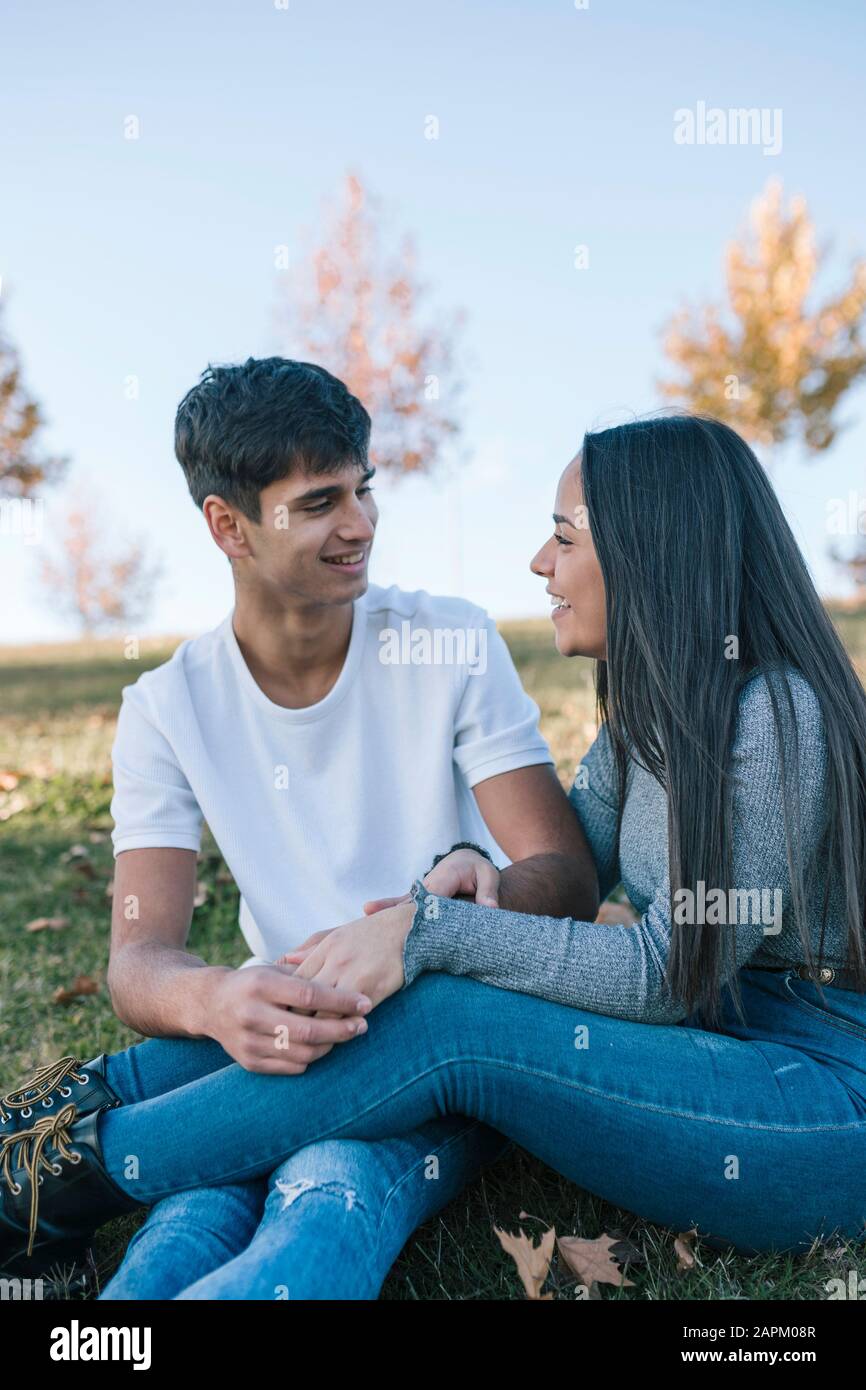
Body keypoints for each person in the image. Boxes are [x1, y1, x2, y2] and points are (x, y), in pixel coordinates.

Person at [5, 413, 866, 1277]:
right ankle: (75, 1115)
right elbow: (569, 872)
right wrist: (474, 872)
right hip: (731, 1044)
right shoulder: (642, 723)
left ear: (653, 549)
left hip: (821, 1093)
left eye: (563, 538)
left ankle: (57, 1183)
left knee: (446, 1014)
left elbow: (667, 975)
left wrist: (428, 931)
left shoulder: (774, 717)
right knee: (408, 974)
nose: (539, 563)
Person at [0, 357, 596, 1295]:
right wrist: (215, 1001)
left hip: (434, 1045)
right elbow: (136, 959)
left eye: (364, 489)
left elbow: (564, 871)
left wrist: (472, 905)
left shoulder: (450, 640)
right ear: (227, 526)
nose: (359, 525)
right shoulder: (167, 707)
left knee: (326, 1191)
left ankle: (47, 1179)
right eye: (320, 502)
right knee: (186, 1223)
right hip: (269, 1046)